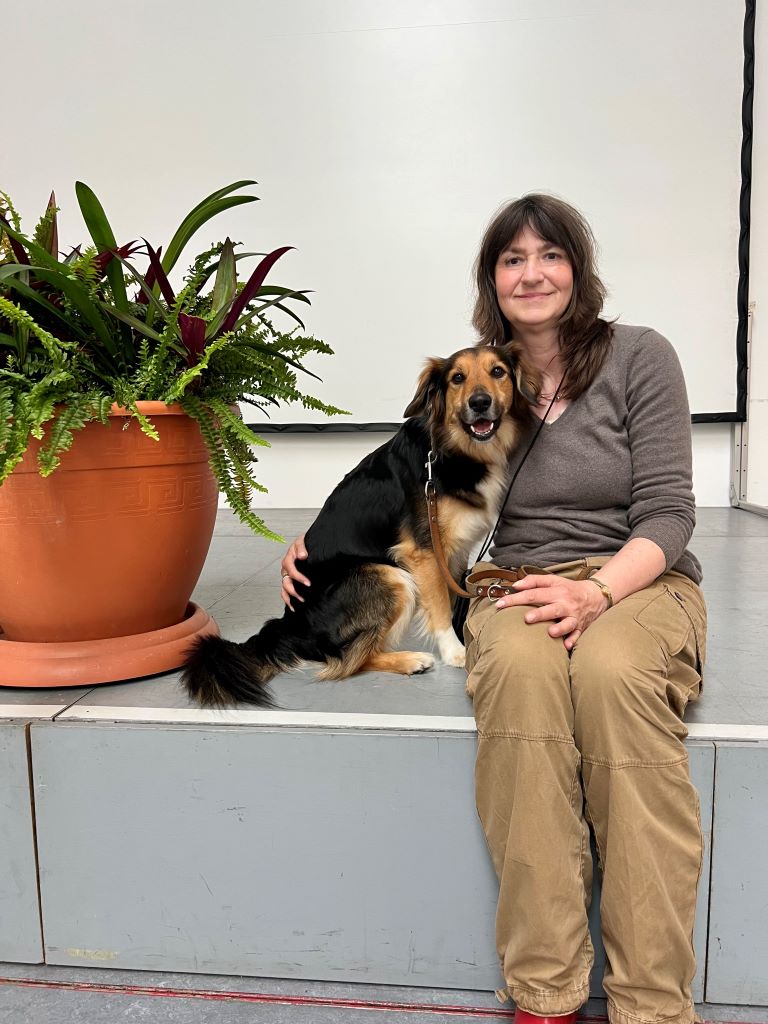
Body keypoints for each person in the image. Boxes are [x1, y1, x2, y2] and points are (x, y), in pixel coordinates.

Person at [280, 193, 707, 1024]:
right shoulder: (479, 378)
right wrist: (322, 544)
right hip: (513, 581)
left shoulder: (641, 357)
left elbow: (670, 511)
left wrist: (598, 591)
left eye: (550, 254)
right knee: (520, 691)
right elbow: (407, 476)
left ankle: (652, 1005)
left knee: (616, 682)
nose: (533, 271)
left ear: (578, 270)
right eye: (513, 258)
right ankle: (545, 992)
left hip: (638, 575)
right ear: (493, 281)